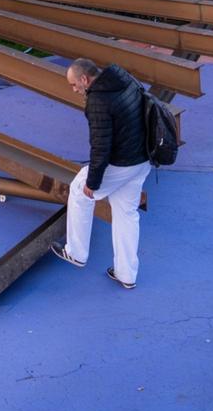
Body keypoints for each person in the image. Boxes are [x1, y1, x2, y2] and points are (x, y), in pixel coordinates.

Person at [51, 58, 151, 289]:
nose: (75, 90)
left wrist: (93, 183)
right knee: (126, 214)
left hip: (122, 163)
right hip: (142, 159)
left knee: (79, 189)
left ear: (85, 79)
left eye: (74, 85)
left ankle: (75, 252)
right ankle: (127, 275)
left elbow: (100, 145)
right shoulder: (123, 78)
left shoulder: (97, 100)